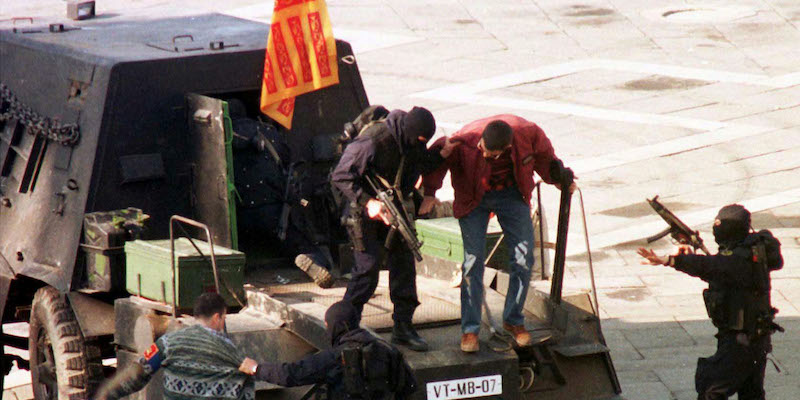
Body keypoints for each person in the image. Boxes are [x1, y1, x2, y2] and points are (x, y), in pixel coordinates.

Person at [420, 115, 575, 353]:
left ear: (507, 148)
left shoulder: (527, 133)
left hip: (511, 194)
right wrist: (430, 192)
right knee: (473, 262)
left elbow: (545, 156)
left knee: (524, 258)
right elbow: (439, 157)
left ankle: (513, 320)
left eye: (490, 154)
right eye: (482, 149)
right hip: (473, 199)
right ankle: (469, 329)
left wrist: (556, 178)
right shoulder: (465, 140)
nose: (483, 155)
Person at [330, 106, 456, 352]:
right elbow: (341, 176)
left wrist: (441, 155)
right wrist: (369, 202)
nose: (419, 144)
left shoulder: (413, 140)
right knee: (367, 268)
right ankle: (346, 327)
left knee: (404, 264)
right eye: (419, 140)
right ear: (409, 131)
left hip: (396, 210)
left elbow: (419, 161)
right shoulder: (373, 141)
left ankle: (403, 326)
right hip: (364, 211)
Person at [638, 204, 784, 400]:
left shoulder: (738, 260)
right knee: (751, 394)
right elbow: (718, 271)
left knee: (711, 390)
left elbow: (711, 266)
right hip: (755, 341)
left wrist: (670, 260)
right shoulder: (752, 250)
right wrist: (687, 255)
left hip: (740, 343)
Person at [228, 99, 333, 288]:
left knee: (233, 247)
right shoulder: (267, 131)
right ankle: (310, 259)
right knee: (299, 243)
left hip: (237, 214)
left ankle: (236, 271)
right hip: (272, 212)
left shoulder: (222, 134)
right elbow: (286, 158)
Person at [239, 301, 417, 400]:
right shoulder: (387, 349)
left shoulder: (336, 356)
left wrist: (257, 368)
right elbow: (410, 386)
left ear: (336, 326)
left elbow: (292, 374)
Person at [94, 293, 254, 400]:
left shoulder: (168, 343)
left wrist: (107, 393)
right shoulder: (235, 357)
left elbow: (137, 372)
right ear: (217, 317)